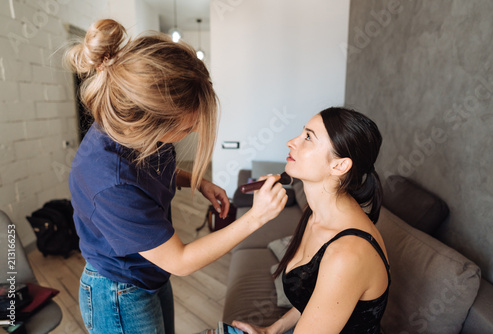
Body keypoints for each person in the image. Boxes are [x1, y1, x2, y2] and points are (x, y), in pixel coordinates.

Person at [66, 19, 288, 334]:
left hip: (149, 272)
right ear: (147, 124)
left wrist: (198, 182)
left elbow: (150, 174)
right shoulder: (108, 182)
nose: (195, 130)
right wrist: (256, 217)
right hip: (119, 291)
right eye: (186, 128)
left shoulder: (136, 134)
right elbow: (180, 260)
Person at [231, 107, 390, 334]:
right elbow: (317, 295)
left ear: (339, 165)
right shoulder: (316, 214)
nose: (290, 142)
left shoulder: (347, 255)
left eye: (308, 137)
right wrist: (271, 330)